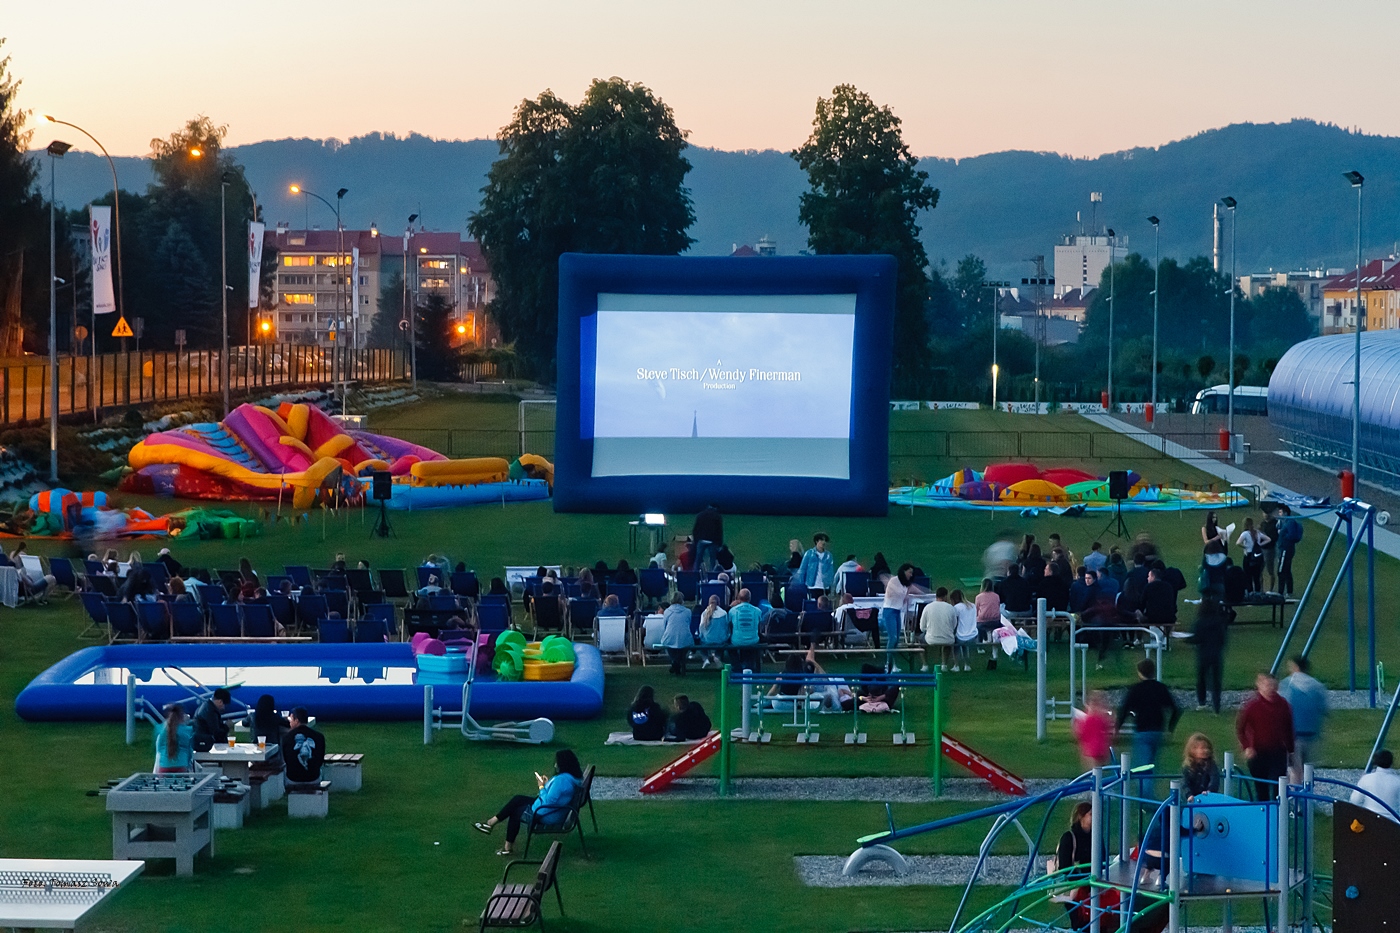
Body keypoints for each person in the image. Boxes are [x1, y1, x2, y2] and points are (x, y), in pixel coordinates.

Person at [474, 749, 584, 857]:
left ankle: (505, 845)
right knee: (518, 799)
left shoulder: (562, 781)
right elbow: (554, 796)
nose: (555, 765)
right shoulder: (572, 778)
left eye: (557, 763)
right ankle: (491, 824)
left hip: (546, 813)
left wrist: (541, 786)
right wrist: (547, 785)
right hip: (552, 809)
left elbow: (548, 801)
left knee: (515, 812)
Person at [1236, 671, 1294, 800]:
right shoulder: (1252, 706)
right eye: (1267, 685)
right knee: (1261, 786)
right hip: (1258, 752)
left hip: (1277, 751)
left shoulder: (1283, 705)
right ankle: (1263, 814)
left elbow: (1288, 728)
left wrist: (1291, 750)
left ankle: (1278, 815)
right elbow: (1240, 729)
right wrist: (1247, 747)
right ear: (1259, 686)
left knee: (1278, 785)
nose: (1271, 689)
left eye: (1273, 685)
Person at [1115, 658, 1181, 771]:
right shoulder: (1161, 688)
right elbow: (1175, 709)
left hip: (1142, 731)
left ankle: (1145, 788)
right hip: (1158, 730)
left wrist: (1117, 728)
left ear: (1139, 673)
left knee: (1143, 767)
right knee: (1152, 764)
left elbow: (1124, 710)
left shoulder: (1136, 689)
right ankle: (1148, 786)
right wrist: (1170, 728)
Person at [1279, 655, 1328, 785]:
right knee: (1308, 768)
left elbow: (1281, 709)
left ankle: (1295, 799)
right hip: (1312, 734)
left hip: (1293, 735)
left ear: (1295, 667)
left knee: (1294, 769)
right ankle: (1308, 797)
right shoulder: (1318, 686)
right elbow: (1324, 709)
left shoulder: (1287, 684)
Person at [1184, 597, 1229, 713]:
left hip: (1203, 654)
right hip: (1216, 654)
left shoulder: (1200, 622)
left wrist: (1185, 639)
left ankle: (1202, 701)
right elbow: (1223, 639)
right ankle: (1216, 705)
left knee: (1201, 678)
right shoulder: (1219, 622)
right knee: (1216, 680)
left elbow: (1196, 638)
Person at [881, 564, 915, 671]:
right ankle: (888, 664)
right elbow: (898, 593)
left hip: (897, 611)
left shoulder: (905, 584)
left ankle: (893, 663)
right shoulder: (894, 581)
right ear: (903, 571)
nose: (911, 574)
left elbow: (903, 597)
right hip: (889, 611)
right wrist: (909, 591)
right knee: (893, 638)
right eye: (909, 572)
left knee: (896, 640)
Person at [280, 707, 326, 785]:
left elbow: (285, 759)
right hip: (313, 777)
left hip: (293, 778)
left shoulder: (287, 737)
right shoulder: (319, 736)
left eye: (291, 720)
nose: (289, 723)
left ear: (296, 720)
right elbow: (320, 759)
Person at [1351, 751, 1400, 822]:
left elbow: (1354, 801)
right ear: (1391, 762)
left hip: (1369, 821)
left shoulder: (1366, 778)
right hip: (1391, 823)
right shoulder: (1397, 781)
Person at [920, 587, 958, 672]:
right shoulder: (951, 608)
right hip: (947, 638)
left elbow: (922, 627)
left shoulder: (928, 607)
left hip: (931, 639)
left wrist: (927, 630)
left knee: (920, 640)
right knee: (947, 642)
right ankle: (944, 665)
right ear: (945, 596)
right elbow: (954, 625)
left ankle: (925, 665)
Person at [1074, 690, 1113, 770]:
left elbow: (1081, 734)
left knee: (1091, 773)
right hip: (1101, 748)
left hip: (1090, 750)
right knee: (1099, 772)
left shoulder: (1086, 719)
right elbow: (1108, 730)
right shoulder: (1102, 717)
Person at [659, 593, 694, 675]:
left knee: (669, 644)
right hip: (685, 636)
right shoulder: (688, 611)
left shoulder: (667, 611)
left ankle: (675, 662)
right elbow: (688, 624)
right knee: (683, 646)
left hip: (670, 636)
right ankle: (677, 662)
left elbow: (665, 625)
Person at [728, 589, 763, 670]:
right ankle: (748, 664)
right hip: (753, 640)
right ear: (750, 598)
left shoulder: (732, 610)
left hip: (737, 640)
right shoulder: (757, 611)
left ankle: (736, 666)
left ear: (738, 598)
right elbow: (759, 627)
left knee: (730, 644)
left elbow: (729, 626)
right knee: (751, 642)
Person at [154, 704, 195, 773]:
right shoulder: (187, 730)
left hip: (164, 765)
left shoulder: (160, 729)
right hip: (181, 766)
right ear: (182, 716)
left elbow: (158, 750)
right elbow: (189, 751)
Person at [1181, 733, 1221, 800]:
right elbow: (1185, 783)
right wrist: (1188, 795)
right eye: (1202, 748)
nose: (1206, 750)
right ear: (1193, 750)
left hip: (1206, 797)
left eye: (1207, 748)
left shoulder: (1211, 764)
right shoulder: (1188, 766)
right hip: (1191, 798)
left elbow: (1214, 779)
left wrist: (1209, 791)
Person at [1236, 517, 1270, 595]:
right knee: (1257, 576)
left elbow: (1238, 543)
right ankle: (1258, 592)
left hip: (1248, 556)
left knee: (1248, 576)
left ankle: (1250, 592)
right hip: (1257, 556)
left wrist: (1245, 546)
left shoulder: (1245, 534)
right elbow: (1268, 539)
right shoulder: (1257, 533)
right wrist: (1260, 544)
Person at [1138, 567, 1179, 631]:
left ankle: (1139, 639)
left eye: (1148, 576)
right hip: (1169, 618)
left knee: (1138, 614)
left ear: (1153, 576)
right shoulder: (1168, 586)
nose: (1147, 578)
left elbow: (1142, 603)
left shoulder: (1148, 587)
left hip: (1153, 618)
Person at [1276, 506, 1302, 596]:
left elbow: (1292, 536)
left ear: (1285, 513)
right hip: (1285, 549)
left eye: (1280, 512)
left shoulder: (1289, 523)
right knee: (1286, 570)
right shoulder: (1284, 522)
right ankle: (1289, 591)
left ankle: (1280, 592)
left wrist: (1282, 535)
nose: (1279, 514)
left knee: (1281, 571)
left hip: (1285, 550)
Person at [697, 595, 730, 668]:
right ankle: (717, 657)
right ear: (719, 603)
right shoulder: (724, 613)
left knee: (700, 642)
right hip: (720, 640)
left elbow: (701, 629)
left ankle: (706, 659)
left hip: (707, 641)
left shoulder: (704, 613)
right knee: (722, 641)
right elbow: (726, 627)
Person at [691, 505, 725, 572]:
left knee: (698, 559)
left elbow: (695, 529)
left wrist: (695, 541)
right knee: (712, 560)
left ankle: (694, 575)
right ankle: (712, 576)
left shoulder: (700, 515)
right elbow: (719, 531)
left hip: (701, 540)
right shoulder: (717, 516)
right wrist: (719, 544)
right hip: (712, 541)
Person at [951, 589, 978, 672]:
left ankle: (956, 665)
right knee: (964, 645)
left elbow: (954, 622)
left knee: (956, 643)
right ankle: (967, 665)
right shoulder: (973, 606)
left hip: (961, 636)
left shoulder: (956, 608)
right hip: (974, 635)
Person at [974, 578, 1002, 643]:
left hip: (982, 622)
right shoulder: (996, 596)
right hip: (995, 621)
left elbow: (976, 610)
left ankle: (980, 645)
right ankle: (995, 643)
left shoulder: (979, 597)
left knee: (978, 625)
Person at [1259, 510, 1280, 593]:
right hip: (1261, 549)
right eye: (1264, 513)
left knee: (1270, 570)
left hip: (1270, 550)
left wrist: (1264, 535)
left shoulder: (1275, 524)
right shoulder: (1262, 523)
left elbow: (1274, 538)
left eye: (1267, 513)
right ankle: (1260, 589)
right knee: (1259, 570)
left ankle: (1271, 590)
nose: (1265, 515)